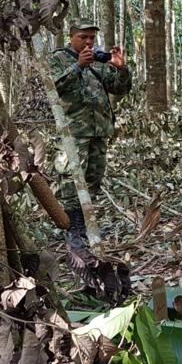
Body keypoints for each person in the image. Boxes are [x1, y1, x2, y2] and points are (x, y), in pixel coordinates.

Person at [48, 18, 131, 250]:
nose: (88, 42)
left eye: (91, 38)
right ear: (71, 37)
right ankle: (72, 227)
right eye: (82, 37)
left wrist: (121, 68)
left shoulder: (98, 61)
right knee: (72, 179)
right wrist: (78, 66)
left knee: (93, 177)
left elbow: (119, 88)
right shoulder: (59, 59)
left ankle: (85, 224)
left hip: (99, 130)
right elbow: (53, 87)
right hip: (73, 131)